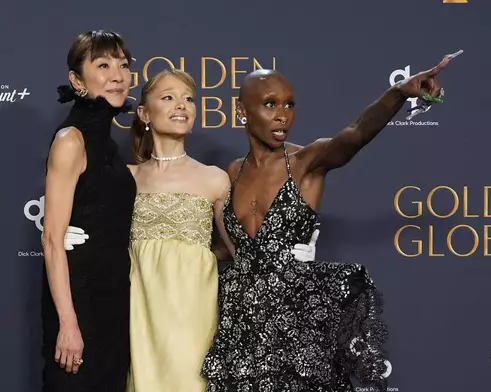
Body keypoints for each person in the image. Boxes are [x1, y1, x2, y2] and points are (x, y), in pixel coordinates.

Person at [200, 55, 453, 391]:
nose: (282, 115)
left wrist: (398, 93)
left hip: (297, 325)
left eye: (289, 105)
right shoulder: (231, 173)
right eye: (270, 104)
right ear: (241, 111)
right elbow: (222, 249)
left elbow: (355, 135)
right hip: (241, 325)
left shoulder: (306, 161)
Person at [58, 68, 319, 391]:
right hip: (137, 315)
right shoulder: (125, 178)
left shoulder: (215, 179)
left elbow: (240, 251)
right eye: (168, 98)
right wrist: (72, 237)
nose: (181, 105)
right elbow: (101, 235)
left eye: (188, 99)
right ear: (144, 113)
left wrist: (290, 252)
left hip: (195, 315)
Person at [40, 30, 135, 392]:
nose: (117, 75)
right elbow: (51, 239)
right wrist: (68, 323)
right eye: (103, 65)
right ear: (76, 80)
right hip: (79, 303)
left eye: (123, 66)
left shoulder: (108, 145)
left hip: (113, 299)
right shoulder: (71, 141)